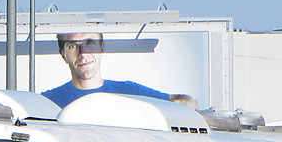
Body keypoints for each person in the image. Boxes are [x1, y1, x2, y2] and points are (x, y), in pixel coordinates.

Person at [42, 32, 193, 108]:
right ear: (63, 54)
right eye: (73, 46)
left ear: (102, 47)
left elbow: (185, 102)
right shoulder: (47, 102)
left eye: (90, 43)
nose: (83, 53)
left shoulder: (130, 93)